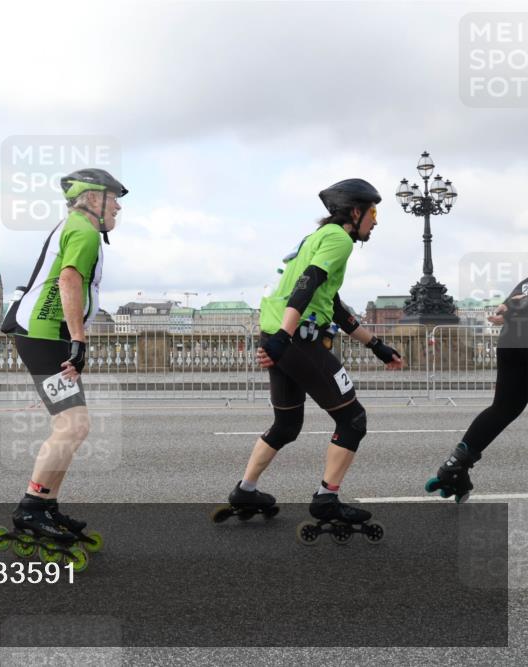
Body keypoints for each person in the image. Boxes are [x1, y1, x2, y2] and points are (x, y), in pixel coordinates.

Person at [219, 179, 404, 529]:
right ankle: (326, 499)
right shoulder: (338, 240)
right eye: (373, 212)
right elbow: (308, 283)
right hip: (298, 339)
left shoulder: (314, 239)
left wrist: (376, 345)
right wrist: (285, 338)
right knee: (353, 420)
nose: (375, 221)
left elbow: (330, 303)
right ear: (355, 212)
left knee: (287, 425)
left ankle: (245, 490)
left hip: (279, 334)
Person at [0, 168, 125, 562]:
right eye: (113, 199)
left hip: (43, 334)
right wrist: (78, 340)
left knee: (72, 425)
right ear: (93, 198)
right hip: (46, 335)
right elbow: (69, 281)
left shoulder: (74, 226)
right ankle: (32, 507)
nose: (118, 207)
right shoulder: (84, 231)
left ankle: (45, 504)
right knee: (73, 424)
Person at [426, 276, 527, 501]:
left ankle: (455, 466)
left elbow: (505, 307)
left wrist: (510, 310)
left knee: (503, 409)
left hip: (511, 342)